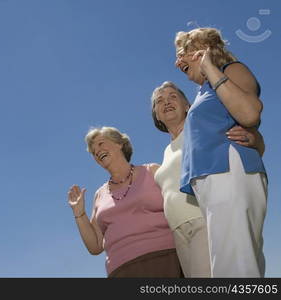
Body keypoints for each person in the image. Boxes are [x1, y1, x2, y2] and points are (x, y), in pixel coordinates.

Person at [174, 27, 267, 277]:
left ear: (203, 49)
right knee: (233, 261)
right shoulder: (204, 90)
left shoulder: (229, 70)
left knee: (235, 263)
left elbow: (249, 113)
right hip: (212, 179)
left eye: (183, 53)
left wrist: (209, 66)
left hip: (227, 170)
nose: (177, 61)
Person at [150, 81, 265, 277]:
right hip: (179, 231)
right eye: (159, 101)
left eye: (173, 97)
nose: (166, 102)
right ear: (157, 115)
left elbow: (247, 137)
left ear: (187, 106)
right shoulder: (167, 151)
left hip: (202, 221)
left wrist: (254, 139)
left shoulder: (200, 129)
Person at [68, 126, 183, 277]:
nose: (97, 151)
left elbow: (179, 206)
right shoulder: (100, 195)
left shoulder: (152, 171)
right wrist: (79, 214)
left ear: (119, 143)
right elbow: (95, 245)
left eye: (101, 143)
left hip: (165, 259)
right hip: (121, 270)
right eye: (93, 151)